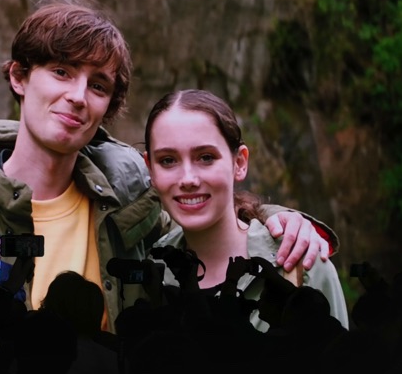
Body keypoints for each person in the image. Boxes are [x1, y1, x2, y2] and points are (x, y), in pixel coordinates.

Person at [0, 0, 334, 332]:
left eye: (98, 85)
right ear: (19, 77)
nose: (78, 96)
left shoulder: (134, 211)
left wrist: (277, 221)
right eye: (61, 71)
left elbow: (213, 224)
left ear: (107, 107)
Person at [143, 88, 348, 330]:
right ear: (150, 168)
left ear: (239, 163)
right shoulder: (147, 275)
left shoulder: (303, 268)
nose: (188, 179)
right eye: (168, 160)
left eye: (206, 157)